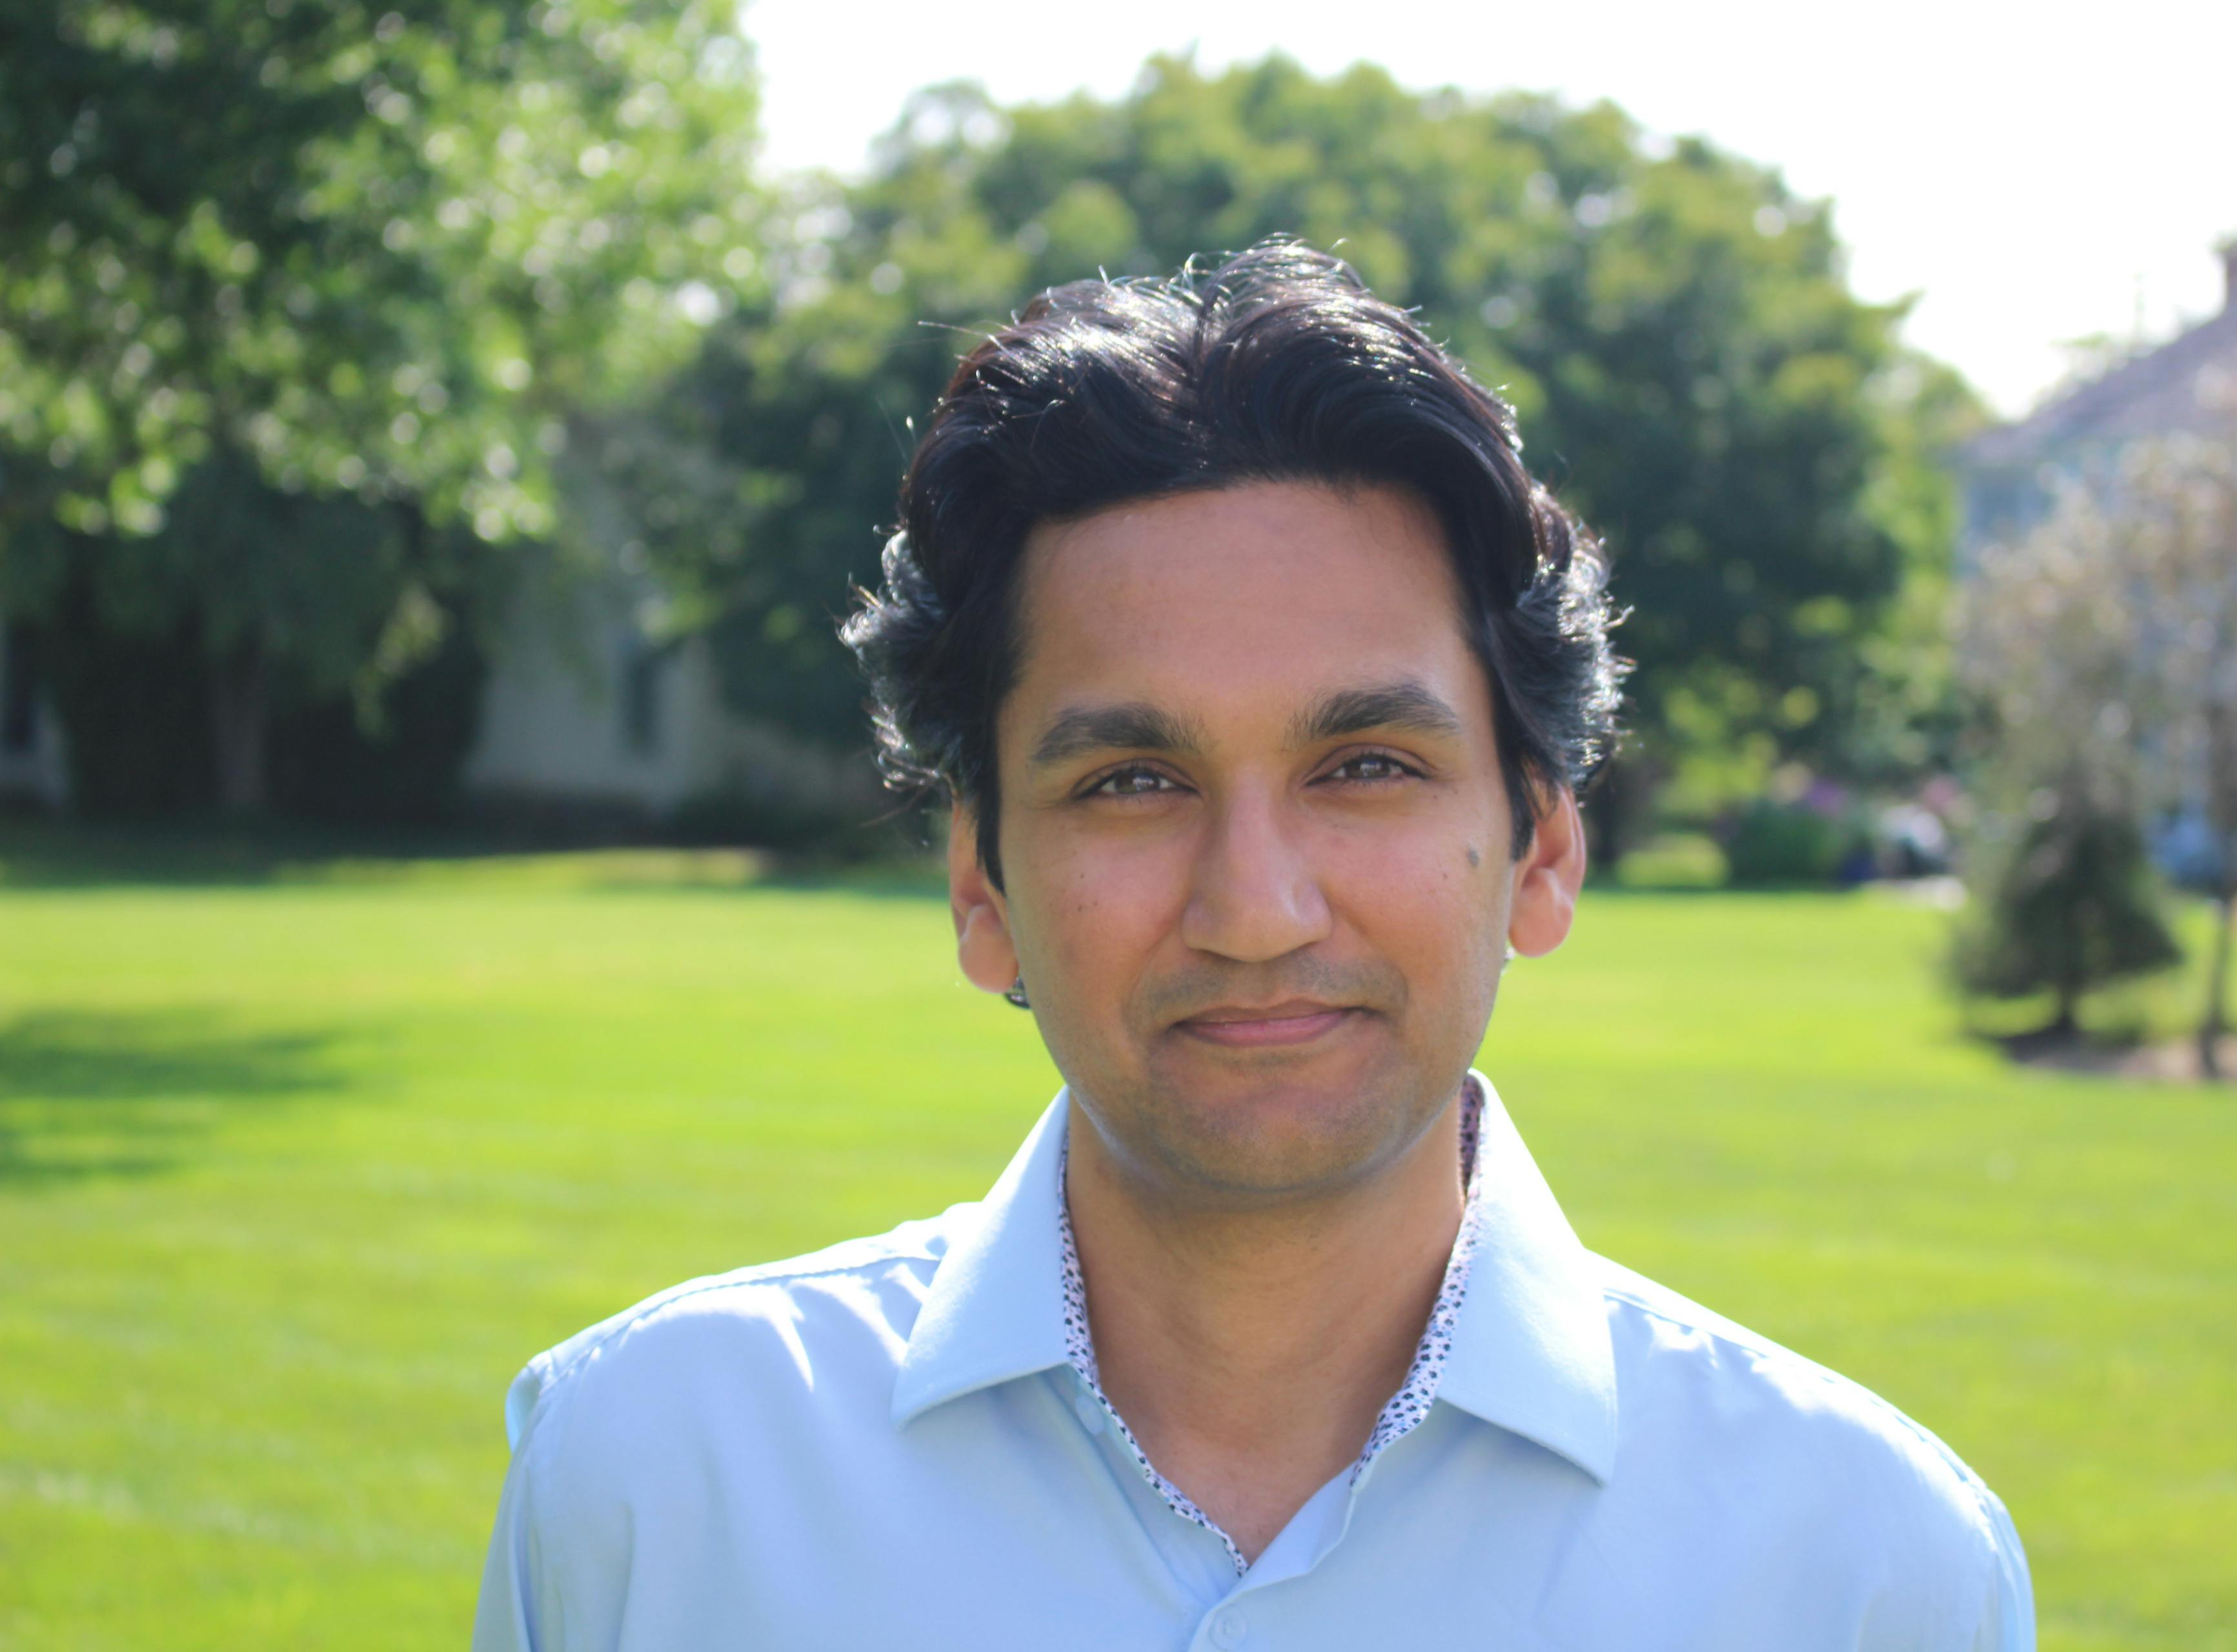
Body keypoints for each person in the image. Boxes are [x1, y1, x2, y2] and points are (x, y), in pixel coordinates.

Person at [472, 241, 2034, 1650]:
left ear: (1543, 849)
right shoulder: (651, 1486)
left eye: (1366, 765)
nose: (1258, 908)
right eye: (1132, 782)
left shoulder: (1870, 1571)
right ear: (981, 883)